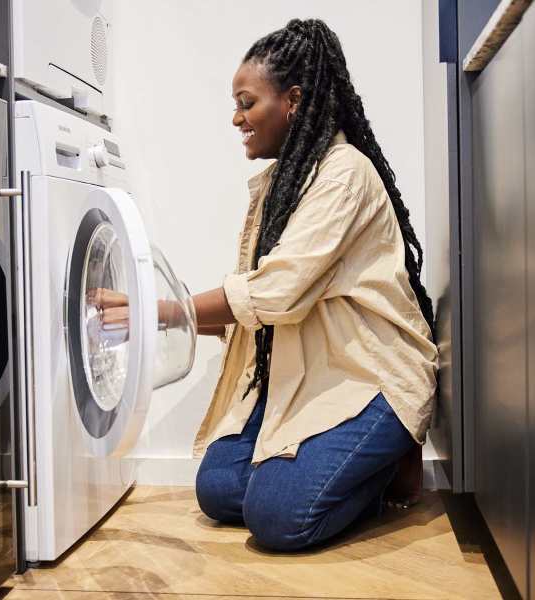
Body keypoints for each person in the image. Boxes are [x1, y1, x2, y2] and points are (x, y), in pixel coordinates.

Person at [103, 18, 438, 552]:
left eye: (246, 102)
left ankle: (382, 467)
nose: (236, 118)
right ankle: (339, 470)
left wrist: (155, 310)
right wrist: (160, 310)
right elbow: (253, 300)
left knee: (278, 518)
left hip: (368, 376)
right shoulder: (281, 182)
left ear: (294, 101)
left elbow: (273, 294)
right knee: (217, 490)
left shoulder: (344, 173)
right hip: (306, 375)